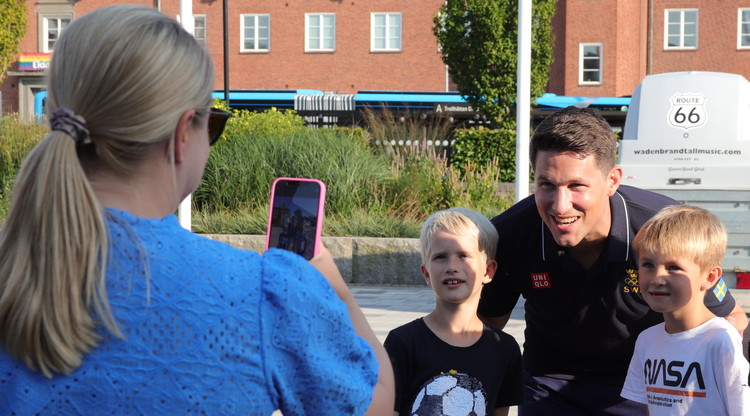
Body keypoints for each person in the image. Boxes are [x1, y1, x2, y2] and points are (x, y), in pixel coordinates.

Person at [0, 5, 393, 415]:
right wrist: (333, 287)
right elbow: (374, 401)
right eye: (213, 124)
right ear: (181, 135)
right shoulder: (264, 295)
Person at [477, 106, 748, 415]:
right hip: (547, 385)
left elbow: (731, 320)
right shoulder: (510, 234)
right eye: (546, 185)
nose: (560, 205)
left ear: (612, 180)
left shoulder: (662, 229)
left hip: (646, 387)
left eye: (576, 186)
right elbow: (487, 332)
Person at [384, 207, 524, 416]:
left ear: (488, 271)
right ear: (426, 273)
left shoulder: (505, 350)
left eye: (463, 256)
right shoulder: (403, 342)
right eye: (440, 257)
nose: (452, 266)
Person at [621, 205, 750, 415]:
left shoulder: (721, 340)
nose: (657, 278)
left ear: (709, 278)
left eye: (673, 268)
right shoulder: (646, 340)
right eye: (648, 265)